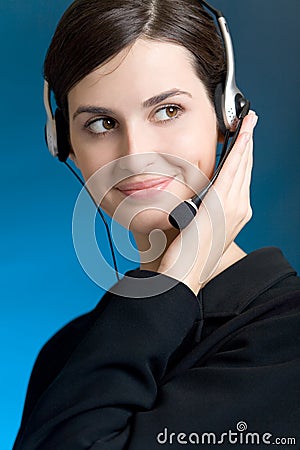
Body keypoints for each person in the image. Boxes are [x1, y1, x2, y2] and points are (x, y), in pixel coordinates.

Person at [13, 0, 300, 449]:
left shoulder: (288, 336)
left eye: (167, 111)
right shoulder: (66, 354)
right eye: (102, 123)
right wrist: (177, 275)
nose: (135, 153)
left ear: (227, 116)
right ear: (63, 142)